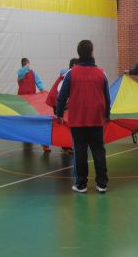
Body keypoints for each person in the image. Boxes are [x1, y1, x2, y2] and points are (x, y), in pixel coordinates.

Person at [56, 40, 110, 193]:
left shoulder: (71, 73)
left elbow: (62, 96)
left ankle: (81, 184)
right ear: (92, 53)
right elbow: (107, 97)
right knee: (99, 151)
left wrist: (59, 114)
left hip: (77, 120)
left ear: (79, 54)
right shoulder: (101, 73)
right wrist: (107, 115)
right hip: (96, 119)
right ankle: (102, 184)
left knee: (80, 152)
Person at [45, 58, 78, 155]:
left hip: (60, 100)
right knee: (60, 123)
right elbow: (61, 92)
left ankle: (65, 145)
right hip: (57, 100)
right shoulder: (69, 74)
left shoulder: (70, 73)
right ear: (74, 65)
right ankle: (49, 142)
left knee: (62, 123)